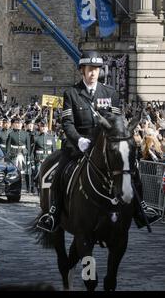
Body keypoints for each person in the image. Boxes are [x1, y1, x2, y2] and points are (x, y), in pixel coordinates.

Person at [37, 51, 161, 232]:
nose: (93, 73)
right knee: (61, 168)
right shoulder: (71, 93)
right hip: (79, 143)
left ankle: (142, 208)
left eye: (96, 69)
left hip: (106, 144)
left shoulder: (110, 93)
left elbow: (118, 123)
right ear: (82, 70)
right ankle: (54, 212)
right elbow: (67, 123)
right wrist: (79, 140)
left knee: (129, 166)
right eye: (89, 69)